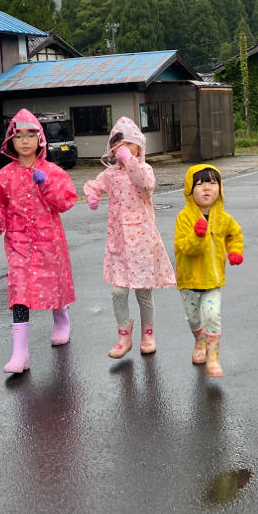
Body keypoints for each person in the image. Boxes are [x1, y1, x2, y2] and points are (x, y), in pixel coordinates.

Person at [0, 109, 78, 374]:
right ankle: (20, 353)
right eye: (19, 136)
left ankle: (61, 320)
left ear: (40, 139)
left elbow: (65, 201)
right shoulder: (5, 174)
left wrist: (46, 184)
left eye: (31, 135)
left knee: (54, 284)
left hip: (49, 242)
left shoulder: (53, 171)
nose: (25, 141)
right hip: (18, 243)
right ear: (10, 142)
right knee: (20, 291)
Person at [84, 117, 176, 359]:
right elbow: (94, 185)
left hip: (143, 242)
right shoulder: (110, 174)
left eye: (128, 143)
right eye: (117, 144)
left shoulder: (144, 169)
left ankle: (148, 333)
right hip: (118, 243)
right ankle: (124, 335)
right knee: (118, 292)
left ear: (138, 147)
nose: (121, 147)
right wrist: (92, 194)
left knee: (143, 291)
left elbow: (146, 186)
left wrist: (130, 161)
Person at [173, 164, 244, 377]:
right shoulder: (184, 218)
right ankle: (199, 341)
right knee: (194, 319)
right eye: (200, 183)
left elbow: (235, 235)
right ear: (189, 190)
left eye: (213, 183)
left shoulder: (223, 218)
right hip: (189, 281)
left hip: (213, 280)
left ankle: (213, 358)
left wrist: (235, 251)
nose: (206, 188)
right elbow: (184, 247)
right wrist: (198, 235)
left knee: (212, 316)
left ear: (220, 189)